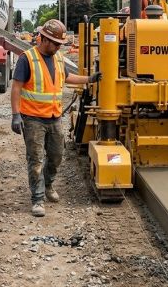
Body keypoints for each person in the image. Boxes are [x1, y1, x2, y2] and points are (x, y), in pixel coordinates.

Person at [10, 19, 101, 217]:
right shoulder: (27, 58)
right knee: (35, 159)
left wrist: (89, 79)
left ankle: (49, 185)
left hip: (54, 117)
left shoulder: (58, 58)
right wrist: (15, 115)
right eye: (56, 43)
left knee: (56, 156)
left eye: (60, 44)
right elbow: (16, 87)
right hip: (32, 119)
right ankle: (37, 199)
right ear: (43, 39)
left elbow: (67, 78)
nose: (59, 46)